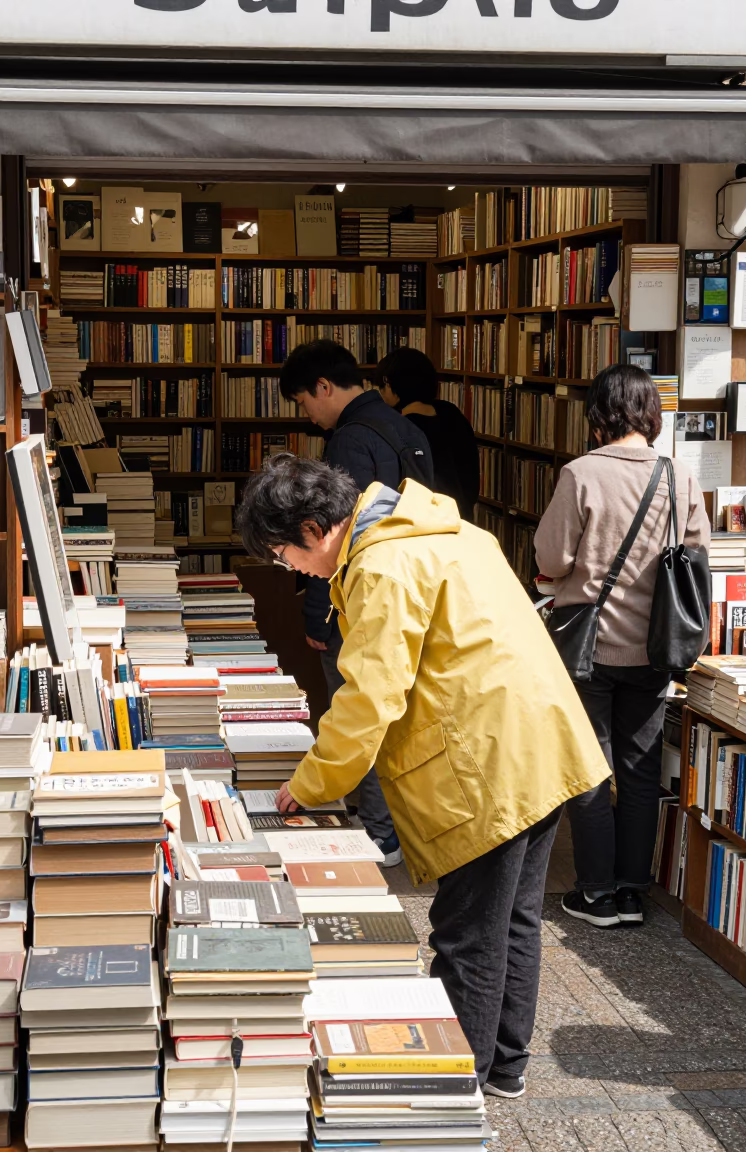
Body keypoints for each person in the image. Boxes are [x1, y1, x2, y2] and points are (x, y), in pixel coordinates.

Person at [236, 455, 609, 1096]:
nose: (289, 569)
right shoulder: (445, 530)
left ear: (310, 529)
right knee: (513, 918)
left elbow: (369, 697)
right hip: (540, 742)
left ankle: (453, 1090)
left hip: (485, 766)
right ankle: (504, 1067)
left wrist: (310, 784)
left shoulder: (383, 564)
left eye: (281, 554)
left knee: (466, 933)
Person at [534, 365, 710, 930]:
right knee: (638, 771)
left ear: (599, 414)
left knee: (589, 770)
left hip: (590, 647)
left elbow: (551, 558)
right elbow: (696, 552)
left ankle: (595, 894)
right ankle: (634, 892)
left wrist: (567, 580)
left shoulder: (581, 473)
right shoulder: (679, 475)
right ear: (651, 414)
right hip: (656, 649)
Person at [279, 339, 434, 867]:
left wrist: (317, 613)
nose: (309, 414)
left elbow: (332, 540)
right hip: (412, 594)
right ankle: (402, 825)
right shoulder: (405, 427)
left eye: (303, 402)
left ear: (323, 387)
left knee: (359, 704)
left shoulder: (349, 441)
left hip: (361, 597)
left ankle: (379, 834)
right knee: (398, 713)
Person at [376, 346, 480, 521]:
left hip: (424, 526)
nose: (381, 394)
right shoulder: (451, 413)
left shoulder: (400, 428)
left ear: (389, 383)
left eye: (381, 387)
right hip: (462, 519)